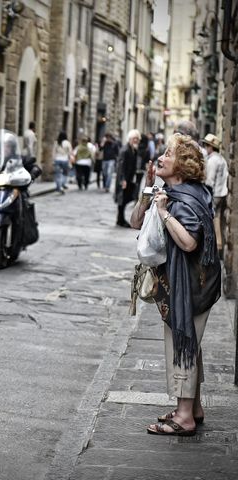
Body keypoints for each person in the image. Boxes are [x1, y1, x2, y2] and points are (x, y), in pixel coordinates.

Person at [130, 133, 221, 436]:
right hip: (184, 285)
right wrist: (148, 193)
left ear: (180, 167)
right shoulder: (169, 191)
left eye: (168, 154)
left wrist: (165, 212)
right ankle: (193, 407)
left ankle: (184, 418)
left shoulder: (187, 198)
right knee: (189, 342)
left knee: (181, 341)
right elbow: (134, 222)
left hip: (193, 287)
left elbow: (189, 242)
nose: (161, 157)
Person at [201, 133, 228, 251]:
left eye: (206, 145)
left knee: (213, 218)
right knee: (218, 218)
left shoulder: (212, 160)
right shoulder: (221, 158)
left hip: (214, 193)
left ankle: (217, 245)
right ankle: (220, 244)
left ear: (211, 147)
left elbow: (209, 181)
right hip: (222, 193)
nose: (205, 147)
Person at [114, 129, 141, 227]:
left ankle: (120, 219)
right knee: (122, 199)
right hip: (123, 179)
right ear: (130, 139)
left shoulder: (134, 150)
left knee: (125, 199)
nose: (136, 140)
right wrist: (123, 180)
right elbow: (120, 166)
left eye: (137, 139)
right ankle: (120, 219)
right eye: (134, 138)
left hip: (129, 178)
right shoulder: (125, 150)